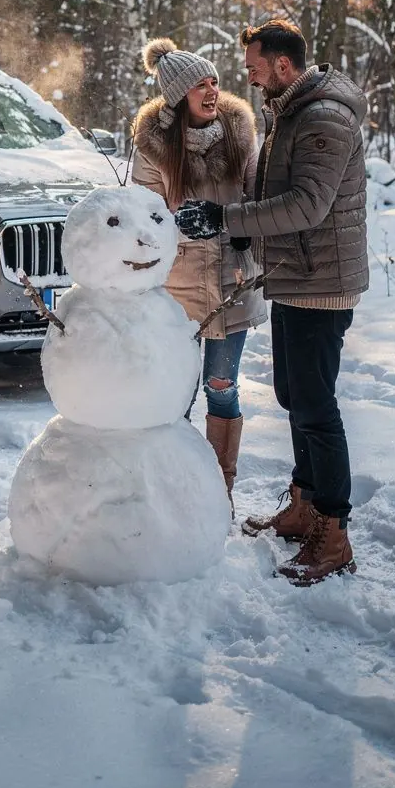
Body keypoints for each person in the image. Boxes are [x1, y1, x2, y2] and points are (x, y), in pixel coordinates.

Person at [175, 18, 368, 585]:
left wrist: (227, 219)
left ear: (283, 65)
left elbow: (308, 205)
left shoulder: (322, 118)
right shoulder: (291, 112)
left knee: (315, 406)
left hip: (320, 283)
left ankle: (333, 532)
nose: (251, 81)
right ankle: (304, 504)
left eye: (257, 69)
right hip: (294, 276)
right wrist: (243, 231)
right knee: (293, 395)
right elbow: (276, 193)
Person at [132, 38, 265, 511]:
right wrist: (171, 226)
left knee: (221, 386)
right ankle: (178, 493)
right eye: (198, 86)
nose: (211, 92)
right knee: (177, 393)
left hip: (232, 277)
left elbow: (258, 195)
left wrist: (245, 227)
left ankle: (218, 495)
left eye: (214, 81)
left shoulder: (239, 132)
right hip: (178, 287)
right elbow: (142, 219)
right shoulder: (152, 147)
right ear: (176, 97)